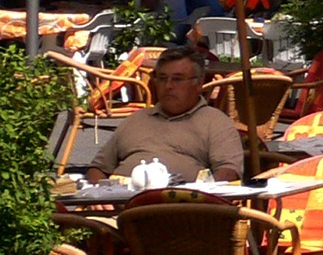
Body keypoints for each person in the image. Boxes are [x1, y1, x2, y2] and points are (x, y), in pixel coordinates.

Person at [87, 46, 244, 183]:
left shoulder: (215, 122)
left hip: (180, 209)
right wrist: (97, 193)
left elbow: (229, 172)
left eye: (177, 79)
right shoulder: (136, 119)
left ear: (198, 83)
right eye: (162, 79)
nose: (168, 86)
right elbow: (98, 168)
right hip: (120, 208)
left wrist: (200, 195)